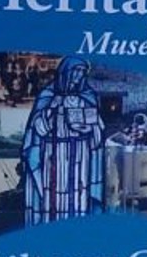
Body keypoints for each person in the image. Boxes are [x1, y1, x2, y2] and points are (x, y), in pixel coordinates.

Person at [20, 56, 105, 224]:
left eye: (82, 73)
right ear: (66, 72)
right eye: (75, 72)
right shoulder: (48, 95)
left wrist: (90, 129)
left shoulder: (88, 97)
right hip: (54, 154)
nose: (78, 76)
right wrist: (53, 107)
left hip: (80, 155)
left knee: (79, 195)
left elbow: (98, 130)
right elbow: (38, 129)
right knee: (54, 197)